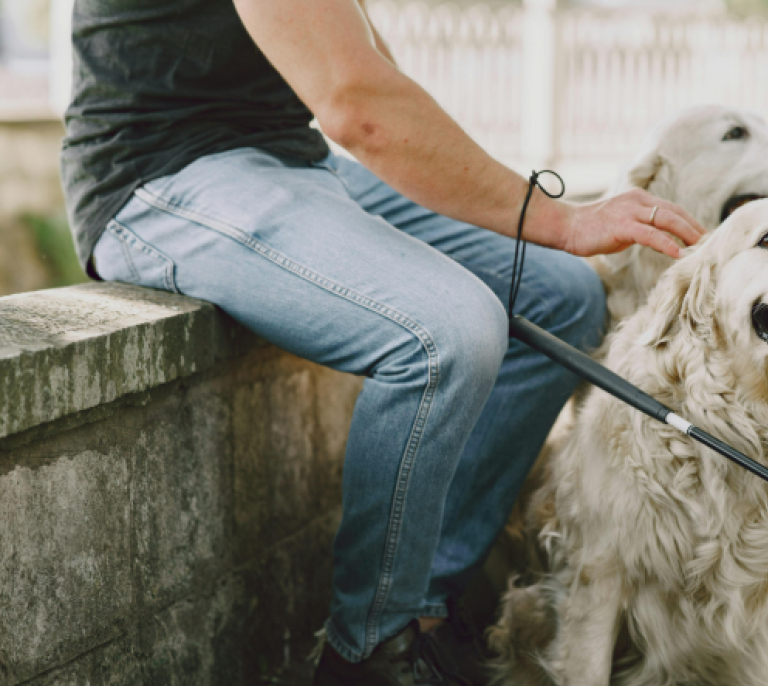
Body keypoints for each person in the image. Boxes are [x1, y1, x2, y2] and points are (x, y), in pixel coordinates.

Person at [60, 0, 703, 683]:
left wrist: (513, 212)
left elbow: (373, 77)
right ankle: (368, 652)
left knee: (560, 296)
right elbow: (355, 105)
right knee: (445, 333)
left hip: (293, 158)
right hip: (163, 175)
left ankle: (425, 605)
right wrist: (561, 220)